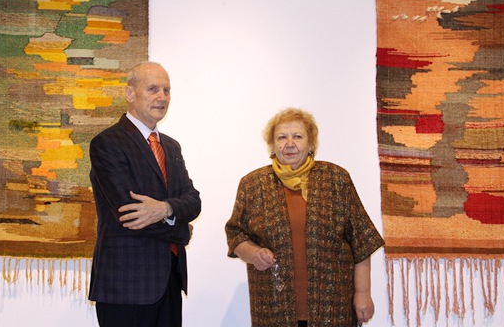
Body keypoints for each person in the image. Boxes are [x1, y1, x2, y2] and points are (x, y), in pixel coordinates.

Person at [225, 108, 384, 327]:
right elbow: (235, 234)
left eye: (298, 136)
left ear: (311, 144)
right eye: (282, 137)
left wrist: (363, 293)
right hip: (274, 307)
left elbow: (362, 241)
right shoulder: (253, 184)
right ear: (272, 145)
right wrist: (253, 254)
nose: (289, 143)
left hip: (333, 307)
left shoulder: (336, 179)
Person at [88, 61, 201, 327]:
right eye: (153, 89)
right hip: (125, 286)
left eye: (166, 90)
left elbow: (193, 201)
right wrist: (182, 231)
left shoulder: (171, 147)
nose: (162, 97)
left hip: (169, 282)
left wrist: (165, 209)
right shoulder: (107, 143)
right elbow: (130, 214)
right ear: (130, 93)